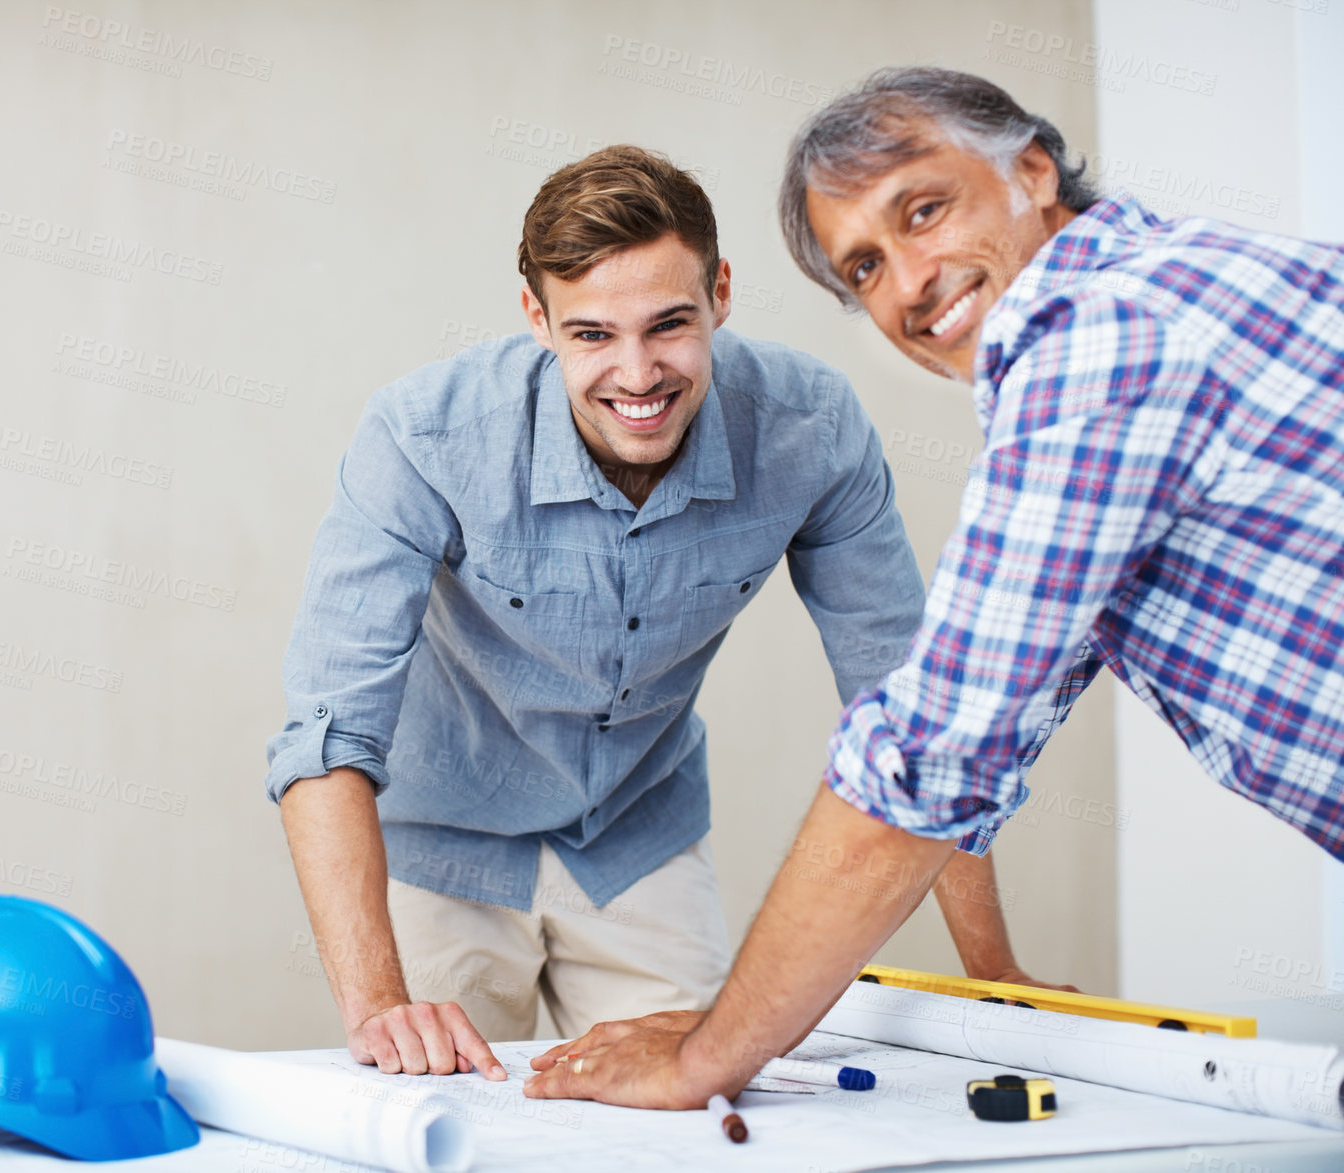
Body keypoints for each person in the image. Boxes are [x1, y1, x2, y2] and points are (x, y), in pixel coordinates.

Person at [523, 66, 1344, 1109]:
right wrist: (768, 1021)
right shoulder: (1154, 291)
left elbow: (929, 750)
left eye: (923, 210)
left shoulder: (1096, 342)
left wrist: (708, 1055)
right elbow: (986, 714)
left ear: (1032, 170)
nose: (908, 281)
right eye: (862, 266)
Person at [267, 143, 1056, 1083]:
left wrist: (992, 970)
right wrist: (379, 1007)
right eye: (592, 334)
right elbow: (325, 733)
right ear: (537, 317)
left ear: (720, 292)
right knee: (448, 1124)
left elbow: (916, 708)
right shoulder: (423, 437)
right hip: (444, 848)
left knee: (701, 1109)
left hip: (640, 839)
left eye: (668, 325)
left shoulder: (812, 429)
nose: (636, 374)